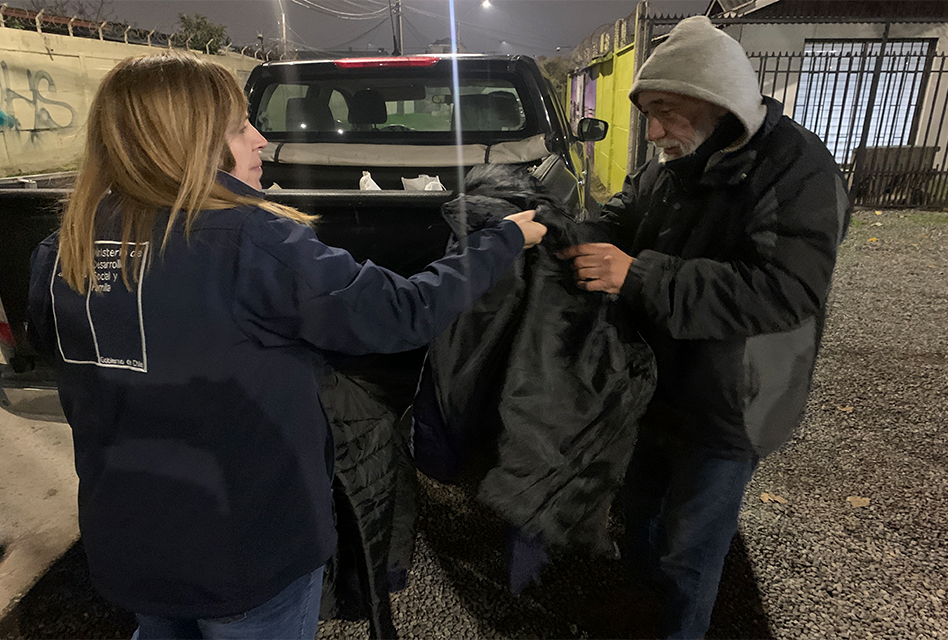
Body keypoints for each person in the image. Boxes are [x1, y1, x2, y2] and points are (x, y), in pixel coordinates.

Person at [27, 51, 545, 640]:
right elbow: (403, 314)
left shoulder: (60, 250)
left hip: (129, 545)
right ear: (194, 141)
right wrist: (501, 240)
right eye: (240, 126)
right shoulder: (253, 242)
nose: (261, 139)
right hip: (247, 552)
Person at [558, 16, 849, 639]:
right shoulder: (676, 158)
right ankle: (639, 618)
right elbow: (625, 214)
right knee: (640, 515)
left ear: (720, 103)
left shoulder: (800, 170)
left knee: (689, 549)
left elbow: (786, 291)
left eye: (667, 112)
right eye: (648, 114)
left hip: (732, 401)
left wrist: (638, 277)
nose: (654, 130)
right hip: (659, 385)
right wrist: (565, 238)